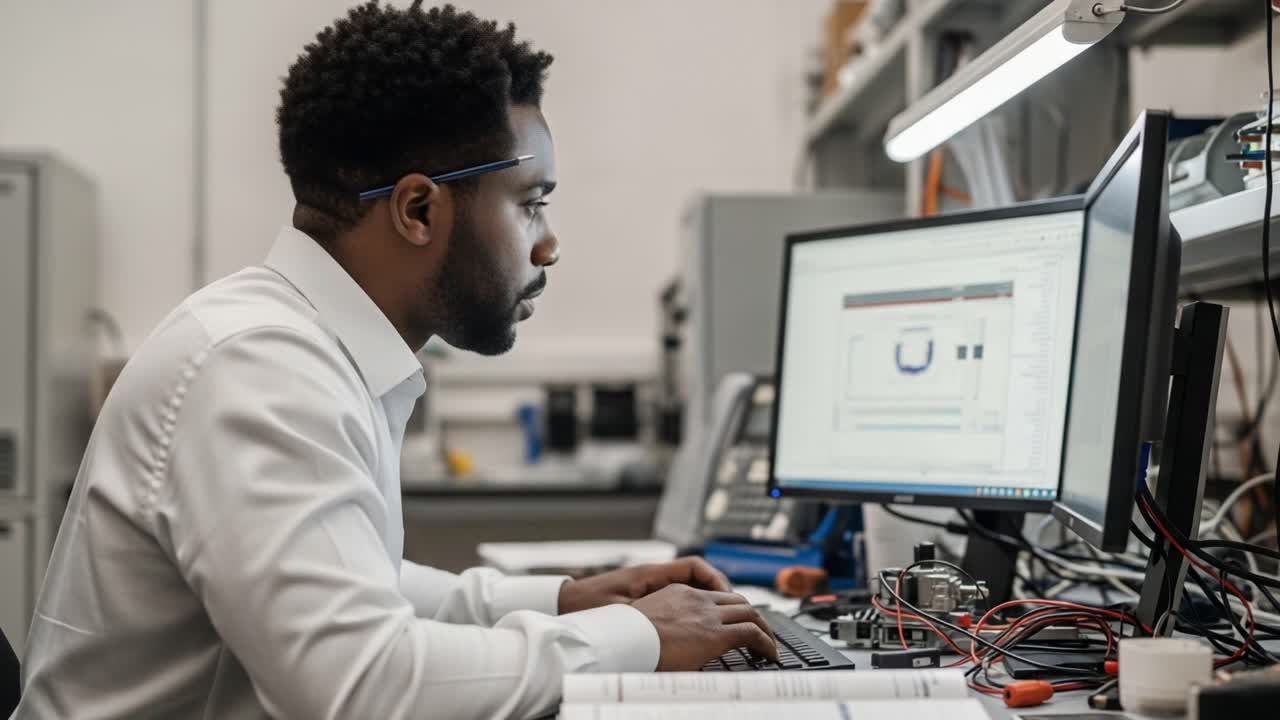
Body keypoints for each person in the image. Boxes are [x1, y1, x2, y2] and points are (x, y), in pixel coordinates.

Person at [12, 3, 776, 719]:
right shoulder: (256, 367)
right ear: (418, 210)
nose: (548, 244)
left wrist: (566, 601)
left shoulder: (305, 346)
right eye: (530, 202)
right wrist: (638, 637)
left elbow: (360, 588)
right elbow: (358, 685)